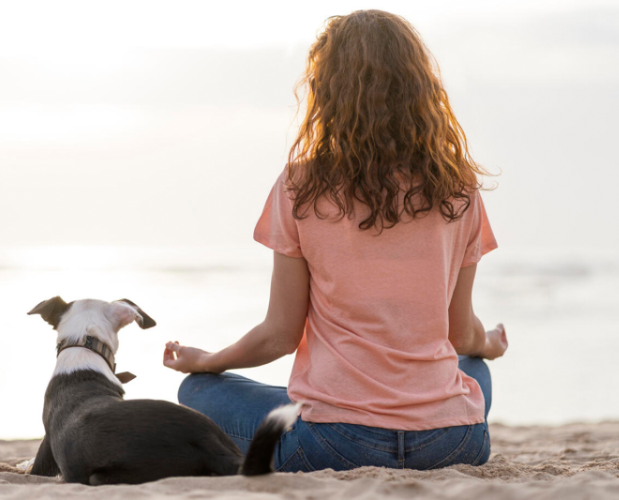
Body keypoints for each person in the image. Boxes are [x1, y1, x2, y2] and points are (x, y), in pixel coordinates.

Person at [162, 9, 508, 472]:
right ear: (420, 88)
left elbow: (280, 335)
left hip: (336, 444)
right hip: (452, 442)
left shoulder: (301, 185)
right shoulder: (457, 187)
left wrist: (209, 360)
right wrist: (489, 343)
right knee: (475, 368)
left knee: (198, 390)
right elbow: (460, 333)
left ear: (327, 90)